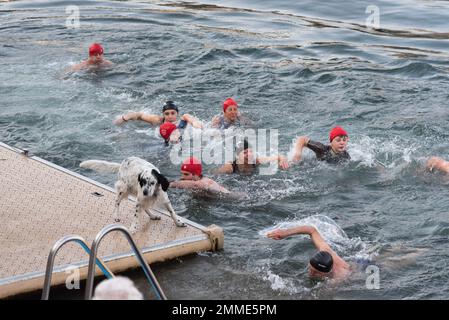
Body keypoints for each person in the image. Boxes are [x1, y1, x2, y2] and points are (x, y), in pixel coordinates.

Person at [267, 225, 351, 280]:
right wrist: (285, 233)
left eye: (316, 273)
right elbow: (311, 230)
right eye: (311, 269)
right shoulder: (325, 249)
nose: (311, 273)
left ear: (328, 272)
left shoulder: (340, 276)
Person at [214, 138, 289, 175]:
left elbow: (278, 156)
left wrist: (282, 159)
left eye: (251, 151)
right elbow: (214, 174)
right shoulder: (230, 167)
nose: (249, 155)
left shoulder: (256, 161)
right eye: (245, 152)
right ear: (237, 156)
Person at [114, 101, 202, 129]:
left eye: (173, 113)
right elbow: (139, 115)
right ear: (163, 114)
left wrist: (195, 123)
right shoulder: (158, 120)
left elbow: (192, 120)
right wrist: (124, 118)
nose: (170, 116)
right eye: (167, 114)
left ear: (177, 113)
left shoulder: (183, 118)